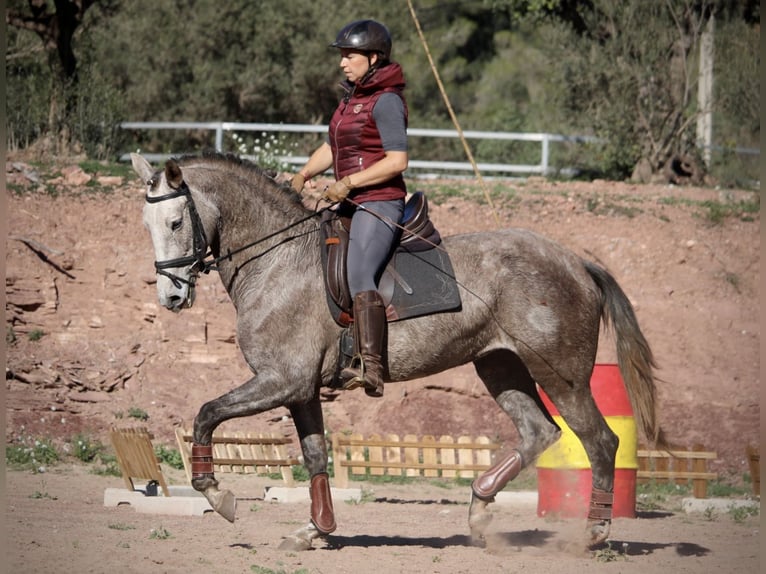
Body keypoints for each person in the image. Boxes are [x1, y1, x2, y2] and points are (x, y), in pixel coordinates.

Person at [291, 19, 408, 398]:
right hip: (350, 201)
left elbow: (397, 161)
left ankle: (370, 366)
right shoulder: (349, 100)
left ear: (373, 58)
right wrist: (305, 171)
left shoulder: (387, 101)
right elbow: (333, 148)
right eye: (342, 56)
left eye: (350, 55)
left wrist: (348, 183)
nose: (343, 63)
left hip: (380, 202)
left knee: (359, 274)